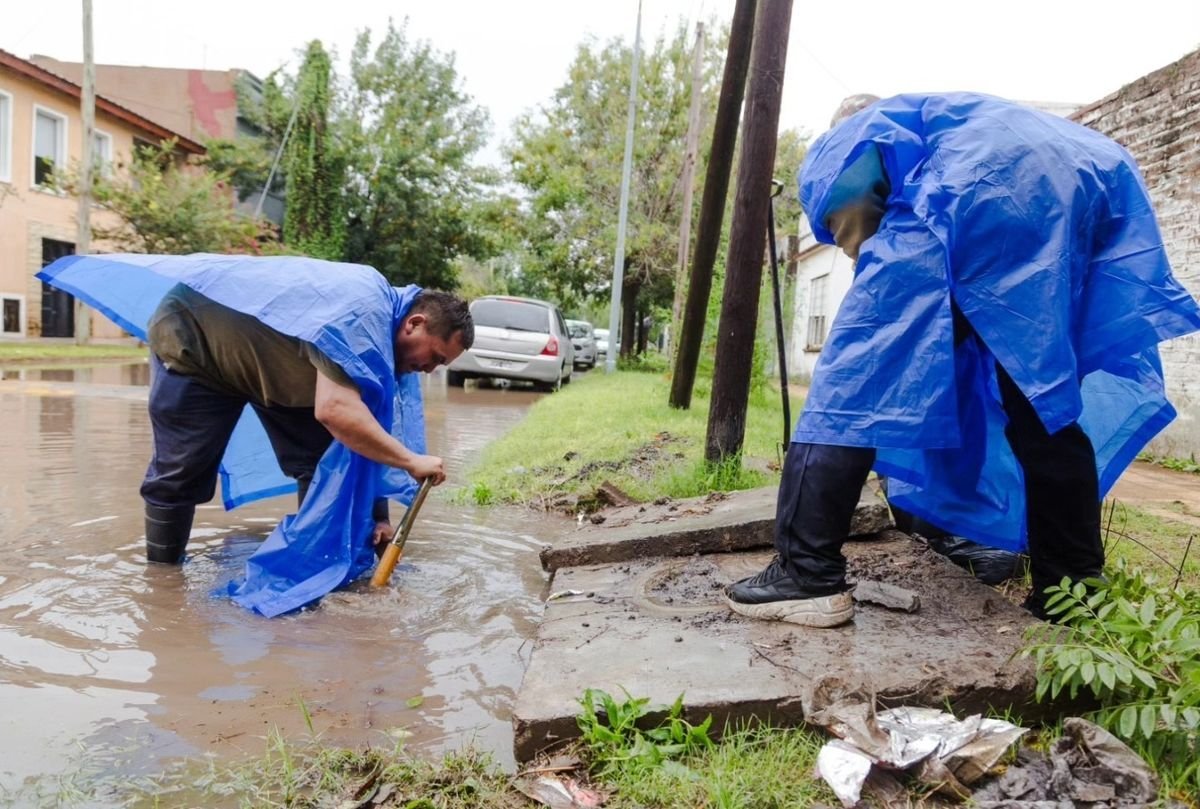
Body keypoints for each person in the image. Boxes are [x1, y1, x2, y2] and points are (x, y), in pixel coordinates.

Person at [725, 92, 1200, 627]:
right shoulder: (950, 123)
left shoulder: (861, 134)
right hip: (1094, 177)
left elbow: (861, 229)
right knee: (1040, 398)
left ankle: (805, 575)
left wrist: (873, 319)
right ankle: (1073, 594)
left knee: (856, 380)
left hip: (977, 192)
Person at [37, 254, 473, 616]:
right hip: (197, 343)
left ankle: (322, 566)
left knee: (319, 462)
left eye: (440, 365)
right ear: (414, 324)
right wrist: (411, 461)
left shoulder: (389, 337)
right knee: (182, 472)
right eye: (434, 357)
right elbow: (336, 410)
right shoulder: (364, 315)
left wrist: (378, 514)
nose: (430, 370)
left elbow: (363, 439)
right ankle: (162, 585)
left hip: (279, 366)